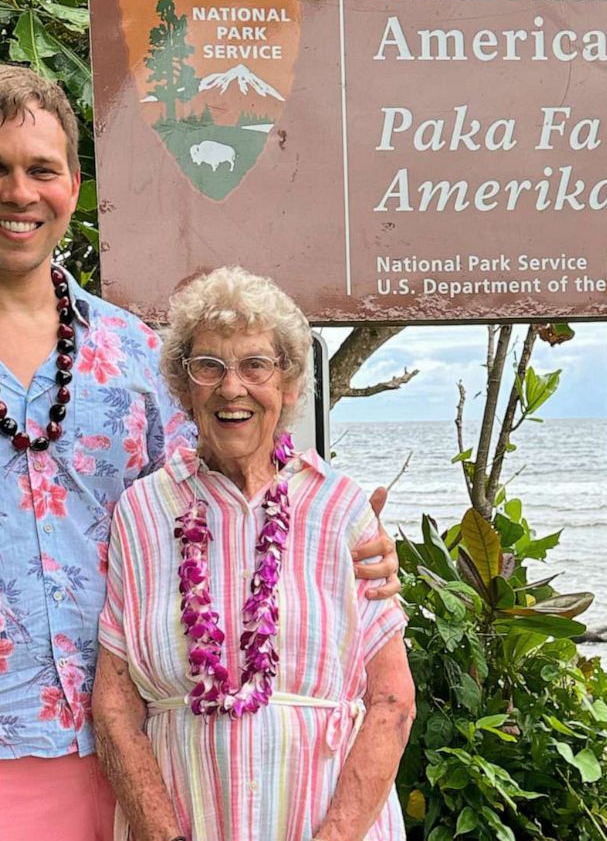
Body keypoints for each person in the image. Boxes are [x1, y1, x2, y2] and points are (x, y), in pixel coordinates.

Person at [0, 65, 401, 841]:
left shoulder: (136, 354)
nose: (19, 193)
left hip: (140, 754)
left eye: (42, 170)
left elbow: (223, 508)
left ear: (73, 186)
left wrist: (352, 546)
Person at [94, 267, 415, 841]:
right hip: (183, 821)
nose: (231, 387)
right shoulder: (142, 511)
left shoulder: (340, 509)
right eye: (208, 367)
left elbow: (391, 701)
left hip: (325, 824)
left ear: (288, 386)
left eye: (255, 366)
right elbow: (116, 704)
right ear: (184, 386)